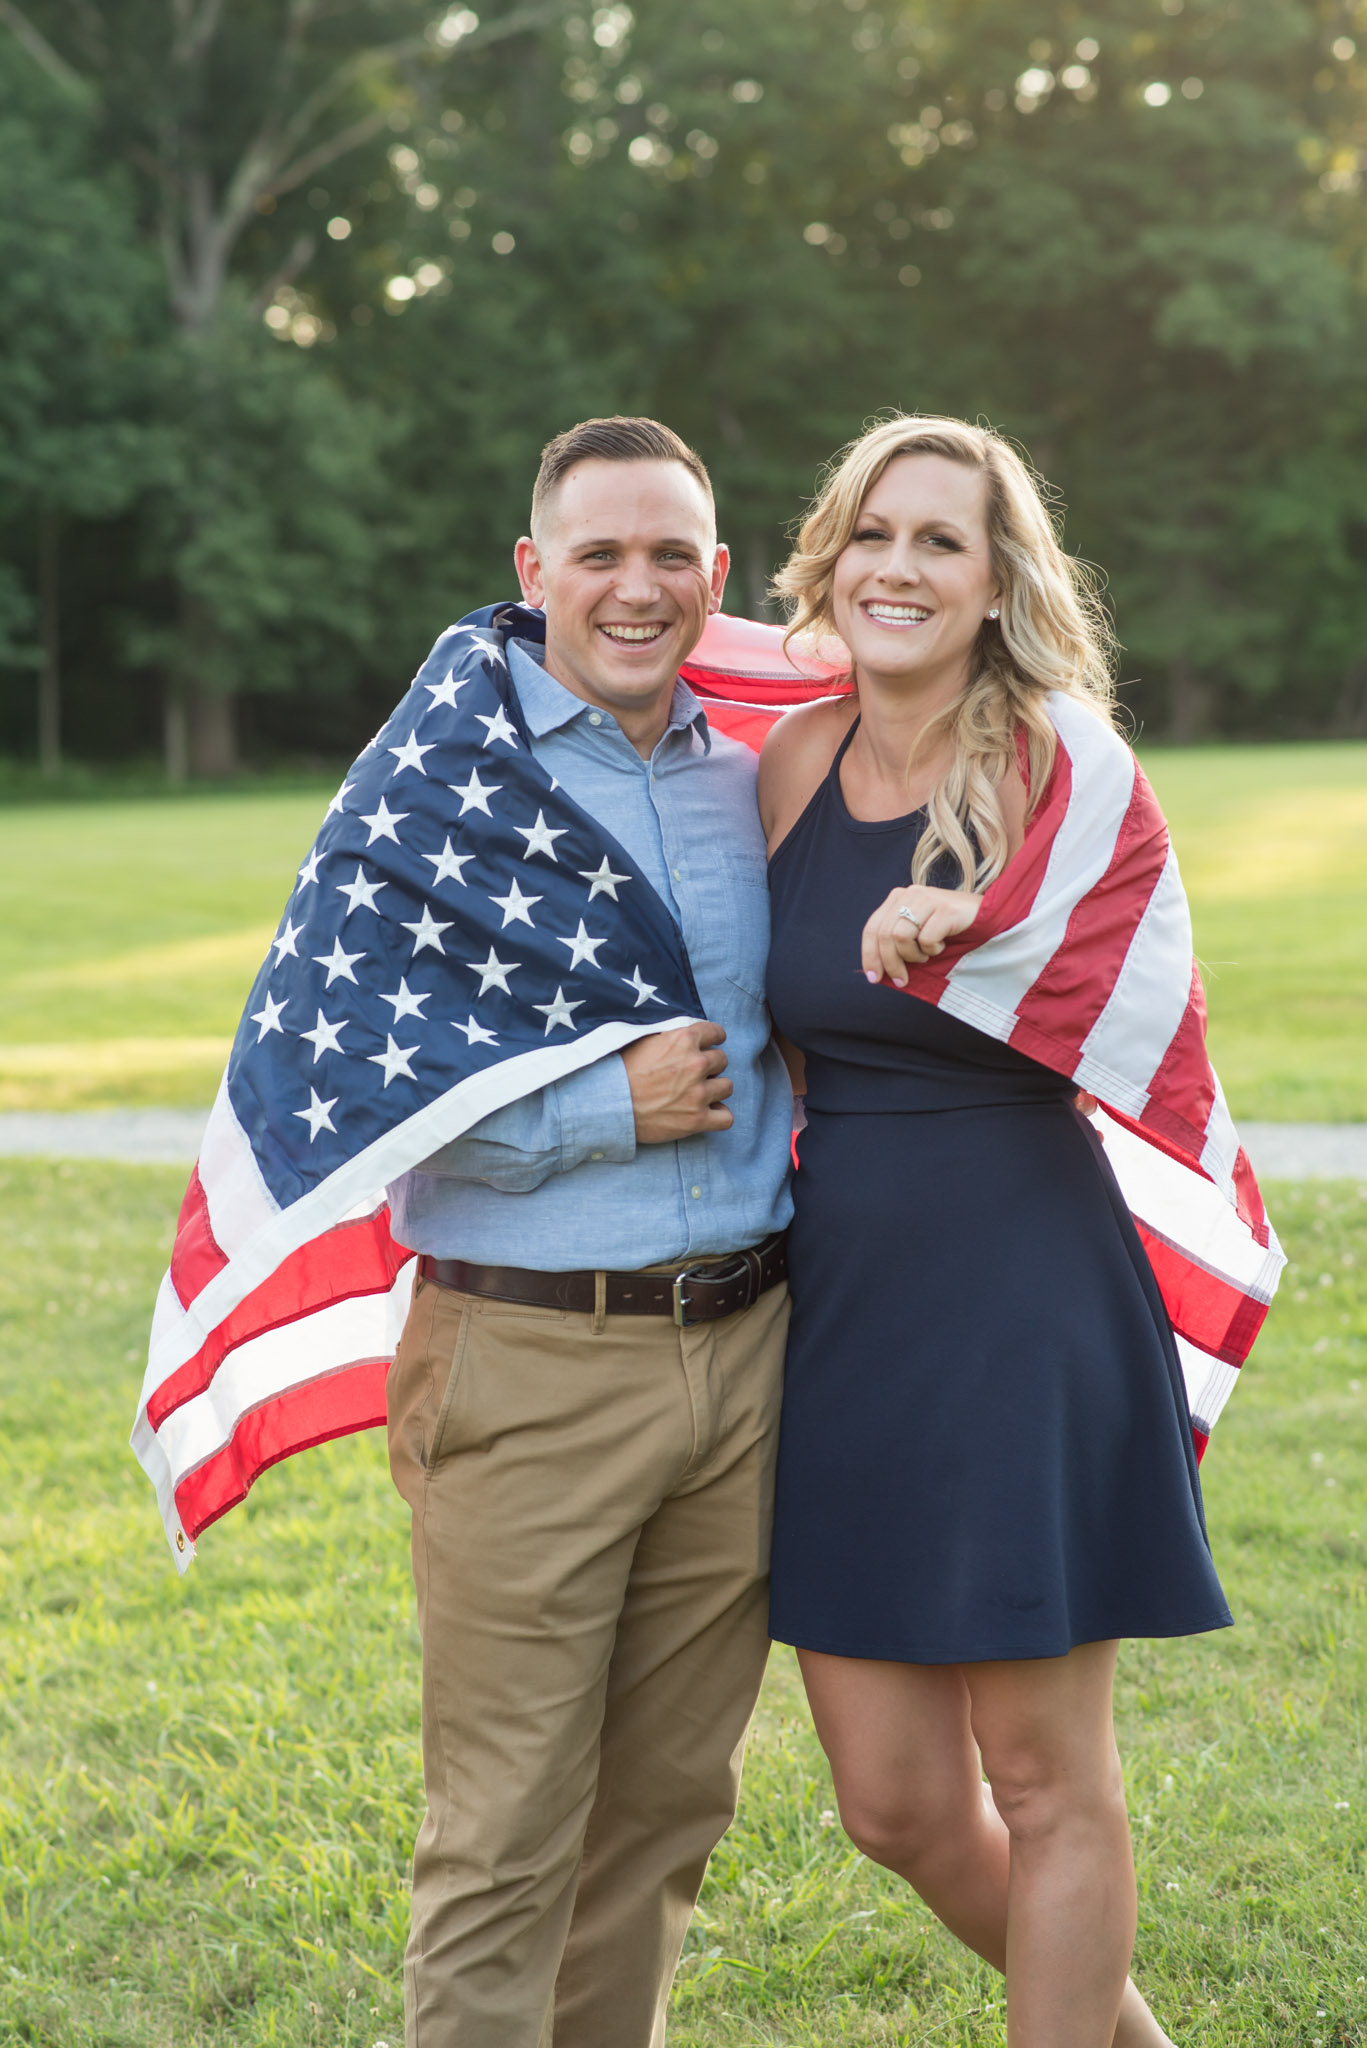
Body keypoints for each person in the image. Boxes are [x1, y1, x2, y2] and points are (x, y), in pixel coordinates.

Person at [758, 415, 1233, 2048]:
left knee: (1043, 1775)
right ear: (833, 553)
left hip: (1021, 1290)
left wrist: (971, 925)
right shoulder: (792, 766)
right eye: (875, 533)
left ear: (994, 579)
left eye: (941, 541)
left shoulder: (1059, 758)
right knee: (892, 1803)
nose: (900, 566)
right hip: (843, 1306)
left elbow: (1114, 960)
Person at [383, 416, 795, 2047]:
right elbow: (347, 1092)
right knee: (503, 1834)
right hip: (529, 1360)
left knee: (666, 1816)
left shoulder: (754, 780)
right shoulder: (442, 783)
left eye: (672, 553)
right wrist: (599, 1108)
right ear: (531, 569)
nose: (639, 587)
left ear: (716, 571)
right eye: (601, 553)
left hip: (746, 1357)